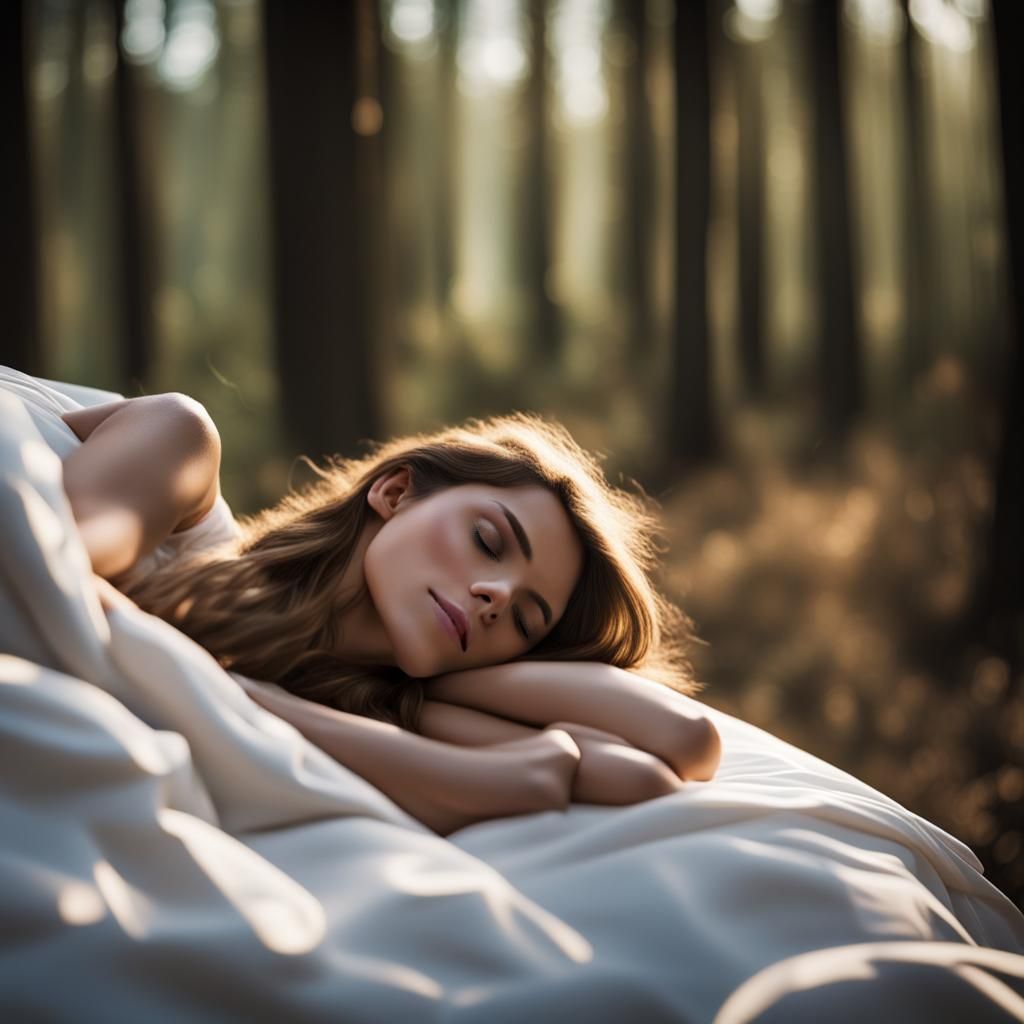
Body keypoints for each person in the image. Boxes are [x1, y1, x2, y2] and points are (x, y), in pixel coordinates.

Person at [4, 365, 721, 834]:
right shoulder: (182, 450)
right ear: (396, 490)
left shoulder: (391, 707)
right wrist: (237, 697)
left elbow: (671, 753)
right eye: (488, 541)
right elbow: (47, 580)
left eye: (528, 617)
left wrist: (471, 668)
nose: (496, 597)